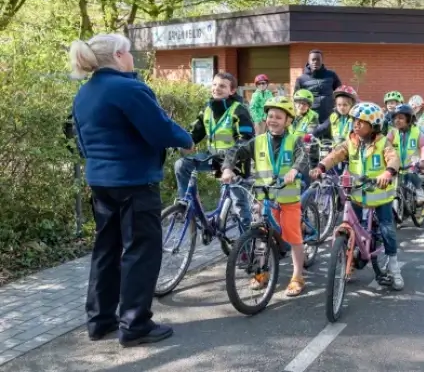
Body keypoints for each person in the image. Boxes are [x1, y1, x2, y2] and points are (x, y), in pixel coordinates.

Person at [69, 33, 192, 346]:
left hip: (101, 181)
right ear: (119, 55)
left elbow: (82, 140)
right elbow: (159, 129)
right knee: (141, 251)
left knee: (106, 251)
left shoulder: (84, 93)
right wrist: (186, 139)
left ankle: (100, 321)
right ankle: (135, 324)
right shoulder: (130, 88)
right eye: (130, 53)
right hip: (134, 181)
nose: (133, 58)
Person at [309, 102, 404, 290]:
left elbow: (393, 158)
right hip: (357, 194)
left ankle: (394, 265)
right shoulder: (350, 142)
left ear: (374, 126)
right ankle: (349, 260)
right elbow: (335, 155)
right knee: (354, 225)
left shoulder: (383, 142)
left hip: (380, 195)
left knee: (386, 228)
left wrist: (388, 173)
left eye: (362, 122)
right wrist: (321, 167)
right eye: (354, 121)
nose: (356, 125)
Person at [221, 96, 310, 296]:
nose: (273, 120)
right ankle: (261, 271)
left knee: (293, 236)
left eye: (279, 117)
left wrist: (295, 170)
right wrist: (227, 168)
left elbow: (303, 158)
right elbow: (235, 151)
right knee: (262, 234)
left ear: (288, 121)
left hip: (287, 198)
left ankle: (297, 276)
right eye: (270, 116)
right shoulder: (258, 141)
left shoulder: (294, 140)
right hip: (264, 197)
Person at [174, 72, 254, 228]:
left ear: (232, 91)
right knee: (181, 165)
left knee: (239, 204)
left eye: (222, 86)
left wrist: (229, 166)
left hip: (236, 162)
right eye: (214, 85)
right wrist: (177, 141)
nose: (217, 88)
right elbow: (195, 132)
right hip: (214, 157)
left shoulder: (239, 110)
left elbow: (245, 140)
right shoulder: (208, 109)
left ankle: (246, 245)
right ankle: (188, 206)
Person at [387, 104, 424, 205]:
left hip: (412, 164)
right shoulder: (392, 133)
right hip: (395, 164)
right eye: (395, 118)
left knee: (411, 176)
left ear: (409, 119)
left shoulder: (417, 133)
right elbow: (385, 145)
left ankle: (420, 192)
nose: (397, 120)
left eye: (401, 118)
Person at [294, 49, 342, 132]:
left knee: (330, 142)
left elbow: (340, 92)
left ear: (322, 61)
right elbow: (296, 100)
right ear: (308, 61)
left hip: (329, 117)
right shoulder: (301, 79)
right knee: (311, 142)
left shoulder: (331, 75)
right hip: (310, 118)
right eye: (313, 59)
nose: (315, 62)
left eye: (318, 59)